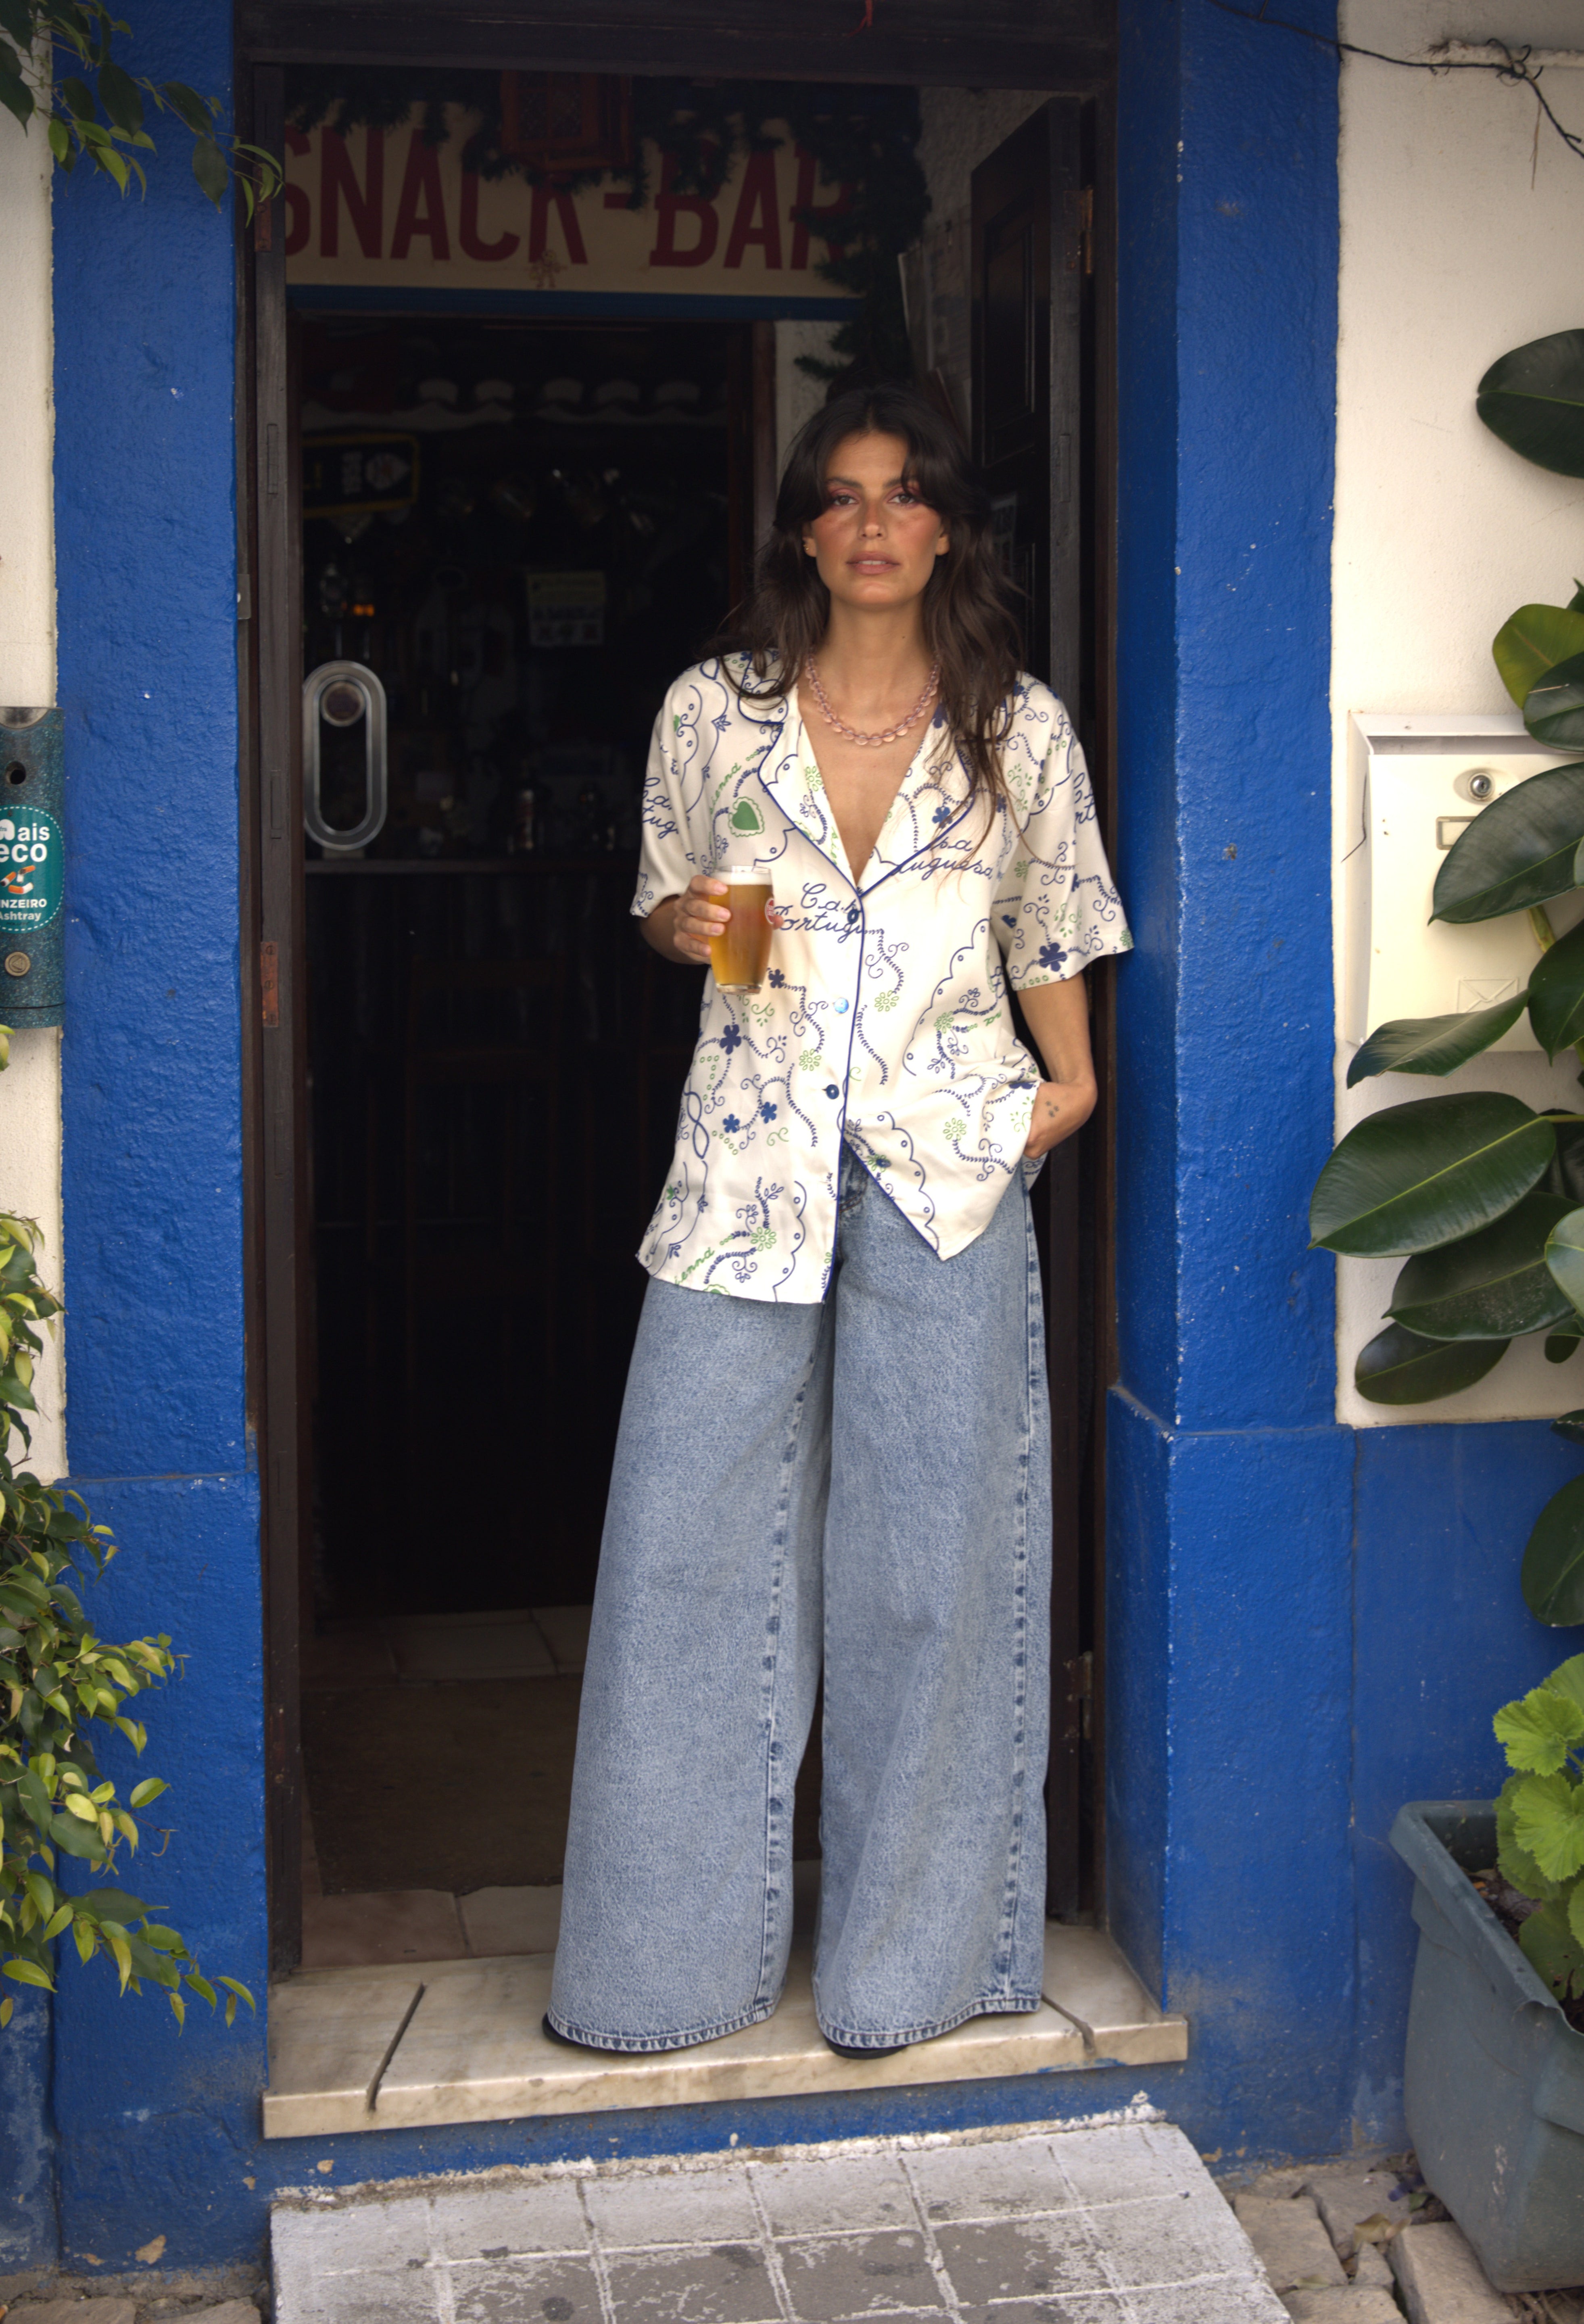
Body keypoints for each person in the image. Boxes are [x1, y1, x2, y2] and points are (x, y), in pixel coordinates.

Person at [545, 382, 1130, 2059]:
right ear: (805, 529)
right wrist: (683, 928)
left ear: (948, 530)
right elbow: (667, 905)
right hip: (746, 1174)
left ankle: (910, 1973)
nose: (875, 523)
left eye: (906, 493)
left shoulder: (1017, 728)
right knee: (682, 1553)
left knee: (934, 1569)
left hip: (948, 1170)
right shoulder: (713, 712)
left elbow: (1052, 923)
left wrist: (1068, 1088)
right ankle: (658, 1977)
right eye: (845, 495)